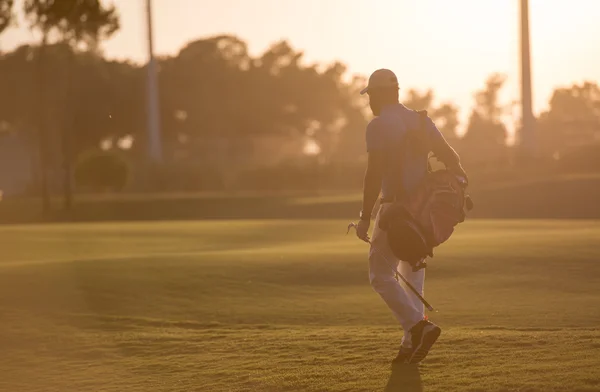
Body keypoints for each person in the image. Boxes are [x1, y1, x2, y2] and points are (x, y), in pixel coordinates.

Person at [355, 69, 467, 364]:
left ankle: (418, 327)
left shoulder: (378, 126)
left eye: (370, 96)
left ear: (380, 94)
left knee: (380, 276)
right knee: (411, 277)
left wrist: (365, 216)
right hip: (423, 210)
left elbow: (373, 174)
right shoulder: (420, 120)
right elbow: (450, 156)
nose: (369, 103)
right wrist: (459, 182)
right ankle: (410, 346)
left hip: (395, 211)